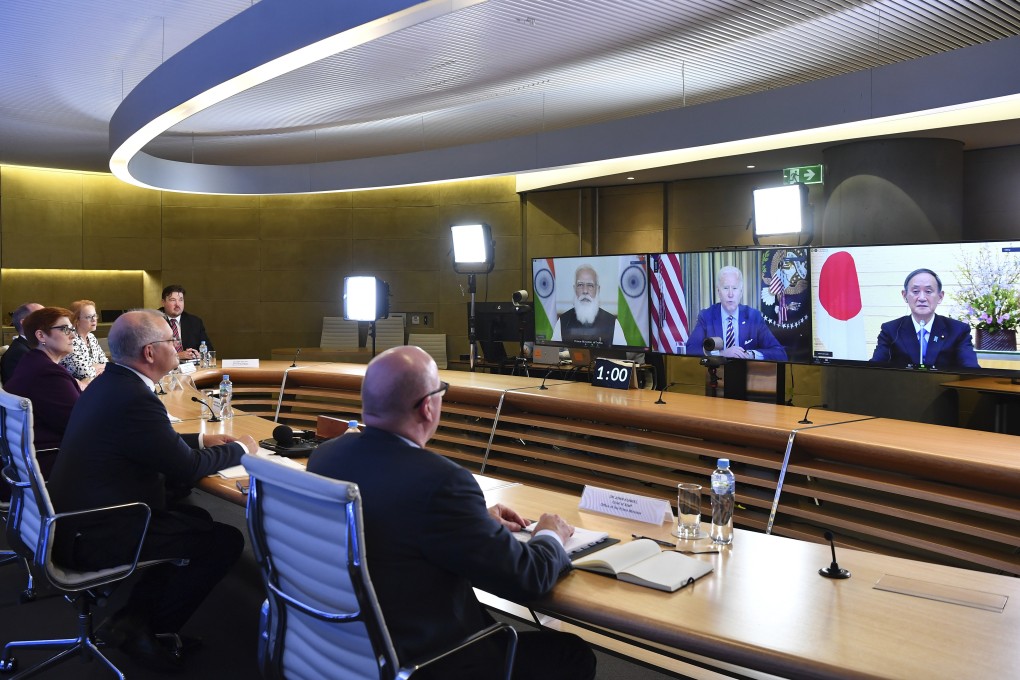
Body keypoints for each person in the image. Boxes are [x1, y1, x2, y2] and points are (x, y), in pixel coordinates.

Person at [307, 346, 596, 680]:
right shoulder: (442, 482)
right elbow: (527, 580)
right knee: (571, 654)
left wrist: (473, 520)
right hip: (427, 660)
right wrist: (550, 534)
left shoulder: (327, 456)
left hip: (348, 645)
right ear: (428, 407)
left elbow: (394, 518)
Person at [47, 309, 257, 673]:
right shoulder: (135, 399)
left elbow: (145, 441)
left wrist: (203, 438)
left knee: (195, 519)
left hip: (77, 520)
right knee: (223, 540)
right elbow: (188, 468)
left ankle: (133, 618)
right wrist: (242, 449)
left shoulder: (112, 383)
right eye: (170, 341)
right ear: (149, 352)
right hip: (98, 532)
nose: (178, 346)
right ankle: (149, 631)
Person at [2, 306, 81, 476]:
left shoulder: (32, 362)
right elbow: (79, 425)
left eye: (72, 329)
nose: (73, 335)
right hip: (51, 466)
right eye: (65, 329)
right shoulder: (47, 373)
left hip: (29, 466)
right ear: (41, 335)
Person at [870, 268, 980, 370]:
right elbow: (874, 369)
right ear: (904, 296)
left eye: (928, 291)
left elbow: (971, 369)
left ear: (940, 297)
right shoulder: (891, 330)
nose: (922, 298)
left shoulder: (958, 330)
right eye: (915, 291)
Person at [686, 266, 788, 360]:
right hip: (716, 373)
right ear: (718, 292)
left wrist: (751, 354)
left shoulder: (754, 317)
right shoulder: (706, 316)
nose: (730, 294)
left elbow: (780, 353)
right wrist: (722, 354)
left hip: (747, 374)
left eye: (734, 288)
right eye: (726, 288)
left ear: (741, 292)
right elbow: (691, 349)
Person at [551, 263, 625, 347]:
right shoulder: (562, 321)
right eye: (580, 285)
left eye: (590, 285)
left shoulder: (613, 323)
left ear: (598, 289)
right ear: (574, 289)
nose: (585, 291)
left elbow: (622, 355)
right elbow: (554, 354)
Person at [60, 299, 108, 384]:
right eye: (89, 317)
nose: (94, 320)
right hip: (74, 389)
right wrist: (96, 367)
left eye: (95, 315)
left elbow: (106, 364)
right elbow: (84, 372)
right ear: (77, 320)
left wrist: (94, 366)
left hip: (94, 384)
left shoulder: (91, 337)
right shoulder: (70, 339)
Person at [159, 284, 213, 362]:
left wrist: (200, 355)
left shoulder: (194, 322)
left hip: (191, 369)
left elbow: (209, 351)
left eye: (181, 300)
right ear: (163, 302)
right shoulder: (154, 320)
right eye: (173, 300)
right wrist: (177, 356)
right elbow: (148, 354)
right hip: (162, 370)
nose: (177, 304)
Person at [1, 302, 43, 384]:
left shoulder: (31, 347)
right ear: (24, 323)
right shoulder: (20, 353)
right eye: (42, 317)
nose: (50, 322)